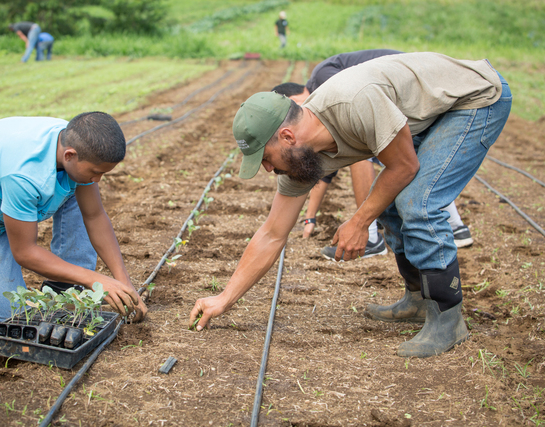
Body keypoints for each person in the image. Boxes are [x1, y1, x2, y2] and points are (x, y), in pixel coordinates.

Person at [190, 52, 512, 358]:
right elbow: (273, 233)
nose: (269, 170)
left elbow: (404, 167)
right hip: (430, 113)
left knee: (418, 202)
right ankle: (417, 299)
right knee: (385, 201)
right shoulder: (300, 157)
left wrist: (359, 222)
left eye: (266, 159)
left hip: (475, 98)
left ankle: (447, 319)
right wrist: (224, 297)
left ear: (287, 137)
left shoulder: (354, 102)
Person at [0, 112, 147, 329]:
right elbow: (25, 252)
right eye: (96, 172)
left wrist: (124, 284)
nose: (97, 180)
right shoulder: (23, 175)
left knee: (79, 191)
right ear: (70, 155)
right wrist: (96, 280)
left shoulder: (77, 141)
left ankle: (65, 288)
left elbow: (94, 215)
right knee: (10, 319)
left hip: (3, 199)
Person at [273, 49, 474, 251]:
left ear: (291, 100)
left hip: (429, 88)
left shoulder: (322, 81)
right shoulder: (317, 108)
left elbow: (353, 131)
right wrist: (310, 216)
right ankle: (457, 227)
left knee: (375, 158)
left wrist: (361, 224)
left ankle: (371, 238)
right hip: (408, 104)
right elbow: (324, 167)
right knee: (417, 162)